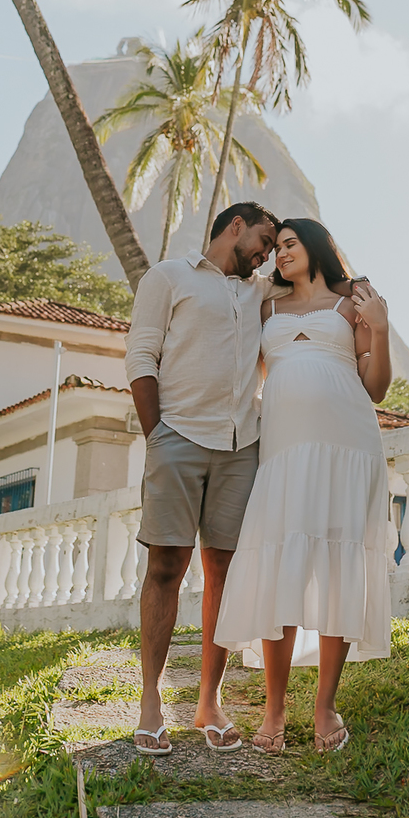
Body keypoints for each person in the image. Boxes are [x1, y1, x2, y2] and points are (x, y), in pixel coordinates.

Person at [213, 217, 392, 754]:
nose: (279, 254)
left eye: (289, 244)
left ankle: (325, 707)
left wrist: (379, 328)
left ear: (314, 247)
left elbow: (376, 388)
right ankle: (274, 709)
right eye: (276, 247)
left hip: (348, 446)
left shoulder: (349, 303)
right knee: (279, 572)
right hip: (285, 453)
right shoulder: (265, 306)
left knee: (337, 571)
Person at [123, 201, 280, 754]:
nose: (265, 253)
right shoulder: (168, 277)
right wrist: (158, 436)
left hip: (242, 446)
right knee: (166, 565)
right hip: (178, 438)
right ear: (235, 226)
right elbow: (141, 357)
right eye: (262, 239)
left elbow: (320, 285)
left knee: (225, 575)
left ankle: (208, 703)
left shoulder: (261, 292)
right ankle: (151, 700)